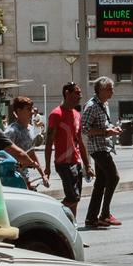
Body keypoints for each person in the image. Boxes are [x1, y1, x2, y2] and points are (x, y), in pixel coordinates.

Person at [82, 78, 122, 229]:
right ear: (101, 90)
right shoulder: (91, 106)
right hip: (97, 148)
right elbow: (84, 129)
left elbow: (104, 124)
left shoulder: (103, 104)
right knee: (114, 177)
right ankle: (104, 214)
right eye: (110, 89)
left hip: (104, 146)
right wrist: (106, 132)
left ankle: (91, 218)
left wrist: (112, 129)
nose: (112, 91)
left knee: (100, 183)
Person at [46, 83, 87, 214]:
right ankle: (53, 214)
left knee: (76, 198)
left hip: (76, 161)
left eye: (80, 93)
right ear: (67, 94)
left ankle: (72, 225)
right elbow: (48, 142)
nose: (80, 96)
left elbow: (80, 141)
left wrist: (87, 165)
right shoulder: (56, 114)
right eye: (77, 93)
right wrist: (47, 167)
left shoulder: (77, 114)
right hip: (63, 163)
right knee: (72, 197)